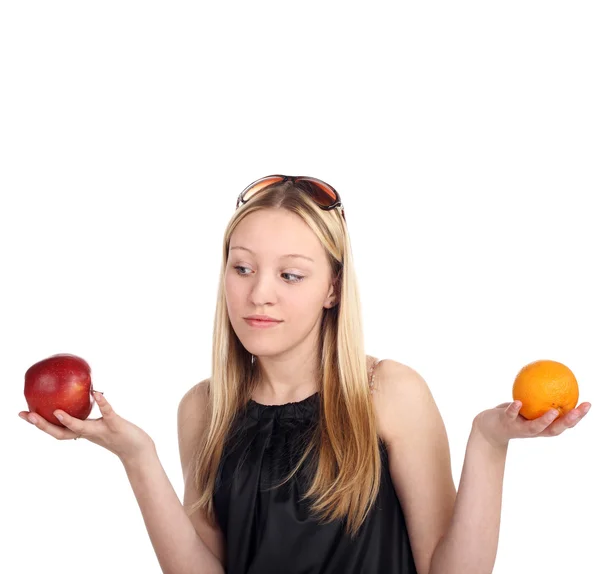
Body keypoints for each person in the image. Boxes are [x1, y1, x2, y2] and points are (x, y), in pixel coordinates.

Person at [19, 174, 592, 574]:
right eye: (242, 267)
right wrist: (137, 457)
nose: (258, 293)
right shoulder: (204, 408)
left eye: (290, 275)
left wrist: (489, 444)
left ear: (333, 288)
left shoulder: (388, 394)